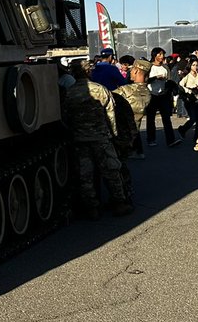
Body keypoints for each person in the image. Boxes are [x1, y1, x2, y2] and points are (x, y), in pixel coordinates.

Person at [63, 60, 132, 219]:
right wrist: (113, 135)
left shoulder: (69, 93)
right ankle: (119, 203)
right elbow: (111, 114)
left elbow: (66, 117)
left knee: (85, 174)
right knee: (111, 170)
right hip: (101, 137)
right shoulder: (100, 90)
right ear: (89, 72)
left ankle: (92, 208)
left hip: (80, 139)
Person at [113, 58, 152, 160]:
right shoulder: (147, 92)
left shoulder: (126, 90)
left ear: (136, 70)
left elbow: (106, 97)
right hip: (133, 132)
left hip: (121, 134)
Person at [145, 47, 181, 147]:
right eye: (159, 54)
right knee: (150, 118)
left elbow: (169, 79)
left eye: (163, 54)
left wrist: (169, 87)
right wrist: (155, 78)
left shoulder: (165, 67)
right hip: (152, 95)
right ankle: (151, 139)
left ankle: (171, 140)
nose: (162, 56)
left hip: (163, 95)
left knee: (166, 118)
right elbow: (145, 80)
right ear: (154, 55)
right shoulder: (149, 67)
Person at [177, 57, 198, 141]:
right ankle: (182, 129)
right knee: (193, 118)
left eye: (197, 65)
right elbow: (180, 85)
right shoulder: (187, 75)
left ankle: (197, 137)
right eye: (193, 65)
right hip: (191, 100)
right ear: (190, 66)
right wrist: (190, 90)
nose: (195, 67)